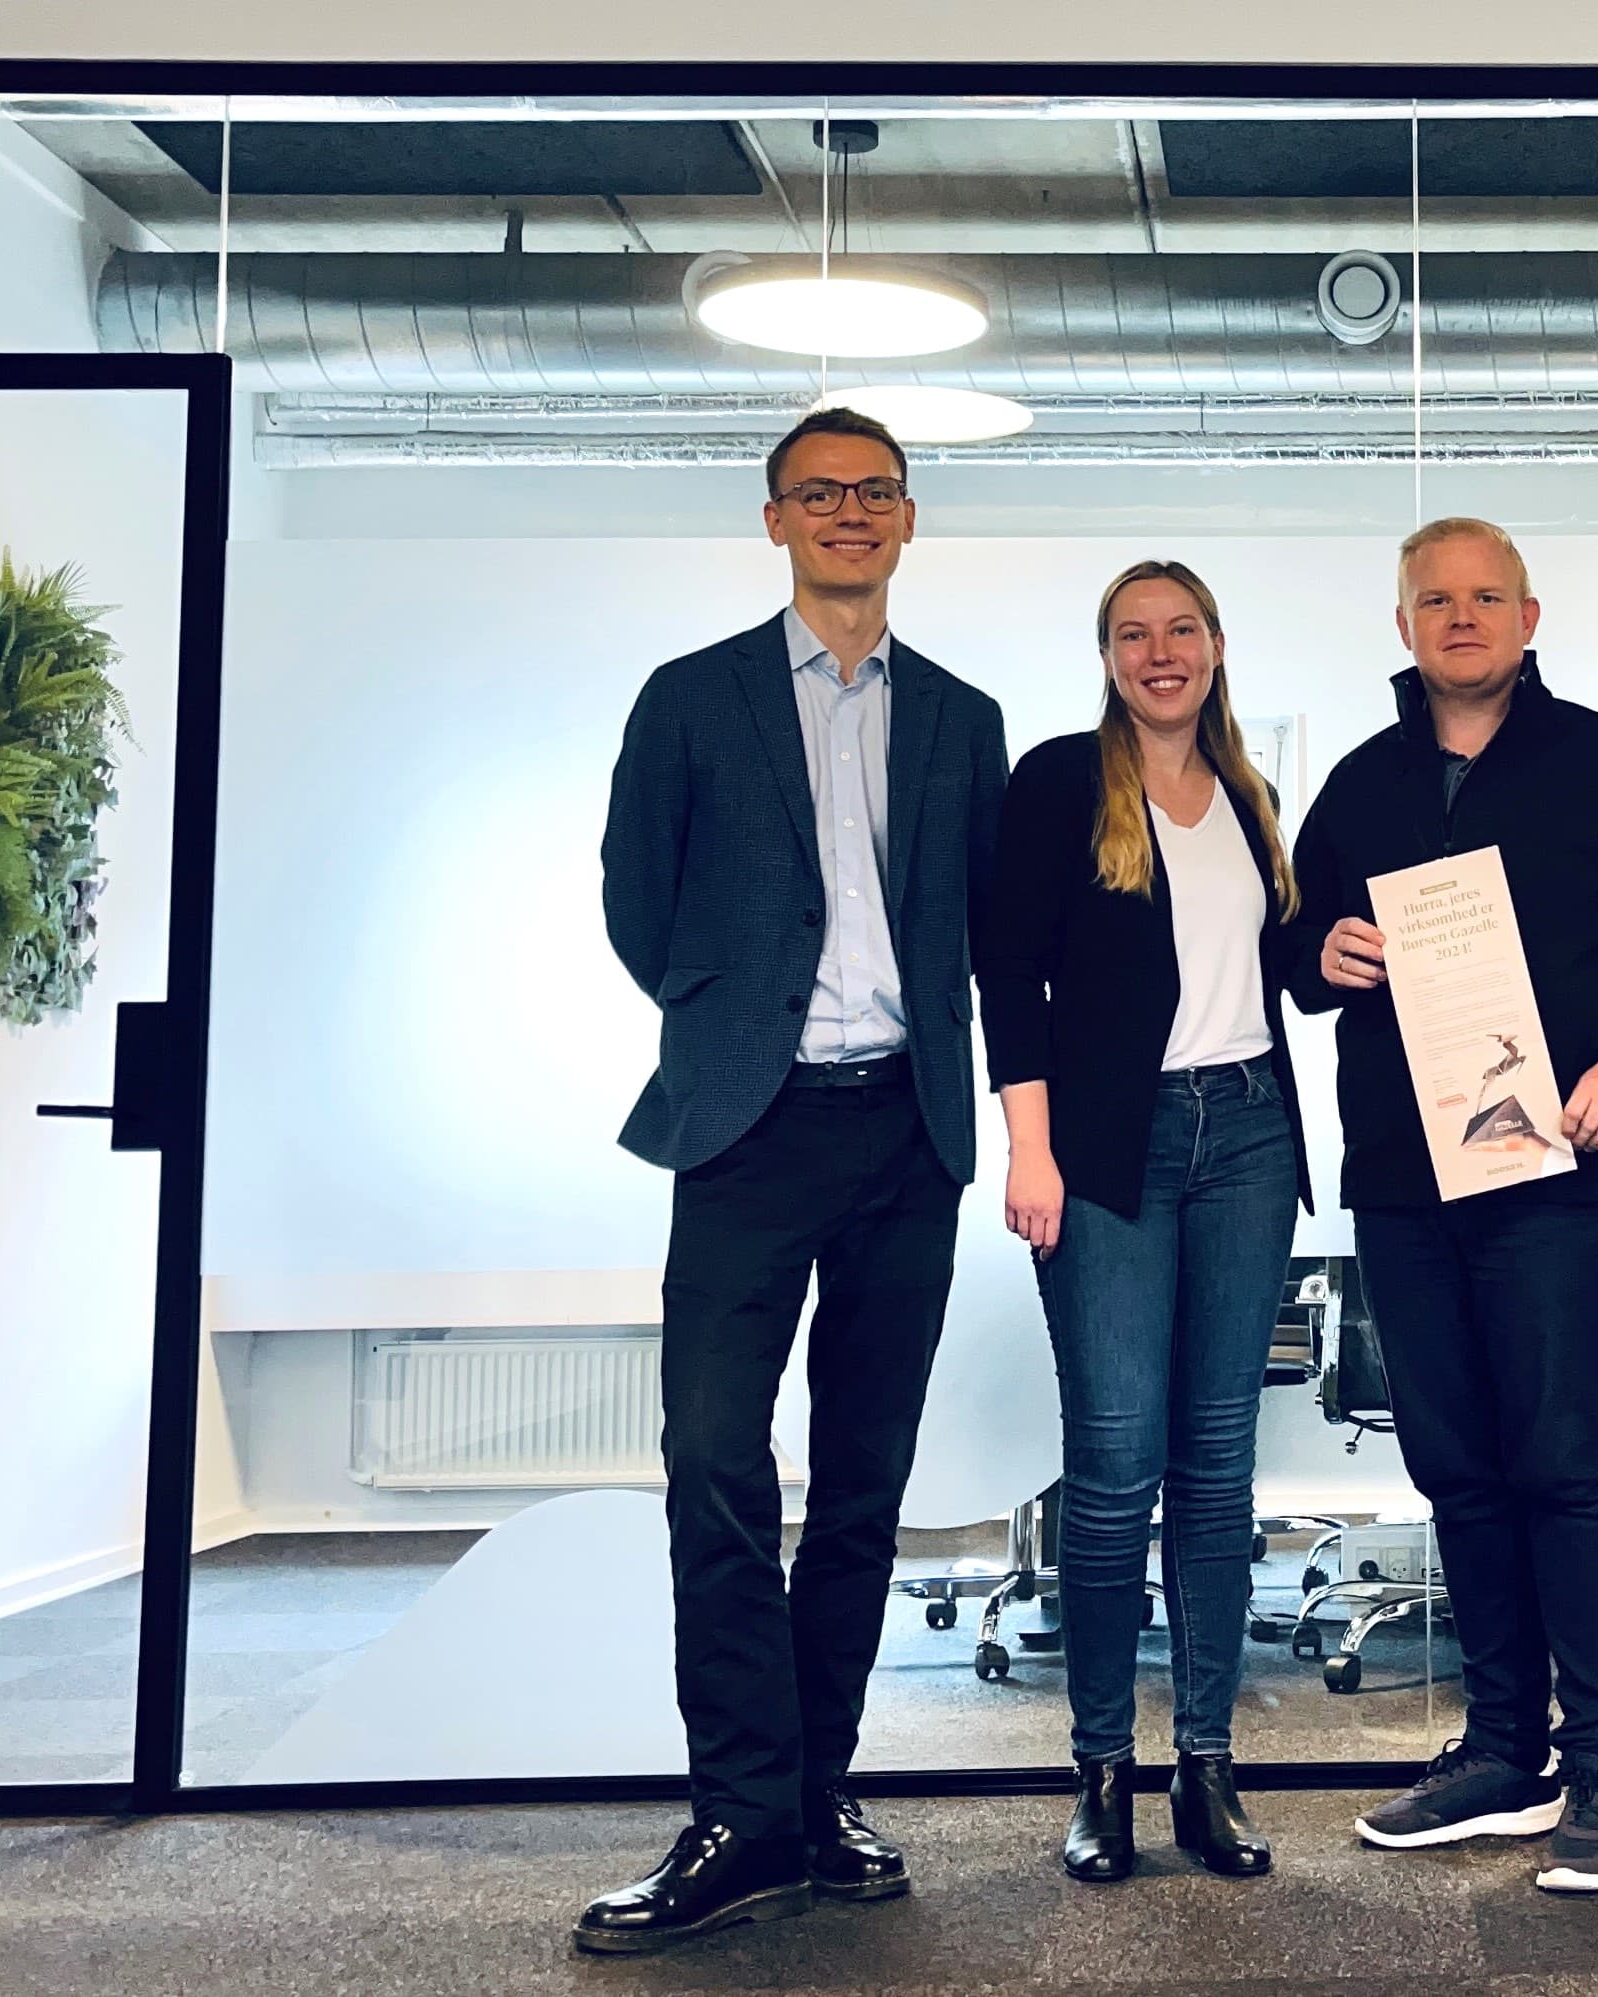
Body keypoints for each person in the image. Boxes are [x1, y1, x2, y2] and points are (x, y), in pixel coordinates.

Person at [582, 406, 1008, 1954]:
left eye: (874, 492)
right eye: (819, 494)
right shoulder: (692, 699)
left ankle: (817, 1793)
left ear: (909, 520)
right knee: (712, 1455)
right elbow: (639, 903)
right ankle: (740, 1809)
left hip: (907, 1132)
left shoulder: (964, 718)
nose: (849, 513)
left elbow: (981, 925)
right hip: (746, 1129)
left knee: (865, 1485)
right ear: (774, 522)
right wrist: (731, 1022)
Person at [1285, 517, 1598, 1896]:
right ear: (1404, 623)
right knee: (1457, 1464)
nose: (1461, 617)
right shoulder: (1359, 786)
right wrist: (1323, 946)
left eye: (1486, 597)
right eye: (1436, 599)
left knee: (1560, 1459)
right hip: (1410, 1183)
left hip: (1558, 1170)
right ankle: (1501, 1749)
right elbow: (1289, 951)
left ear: (1529, 615)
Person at [978, 560, 1309, 1886]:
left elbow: (1270, 965)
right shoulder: (1063, 782)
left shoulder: (1249, 795)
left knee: (1217, 1468)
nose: (1159, 653)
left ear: (1218, 645)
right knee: (1115, 1465)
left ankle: (1209, 1768)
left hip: (1249, 1136)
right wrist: (1032, 1148)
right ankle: (1103, 1770)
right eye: (1134, 635)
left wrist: (1335, 953)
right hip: (1114, 1146)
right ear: (1107, 654)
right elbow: (1008, 970)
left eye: (1181, 631)